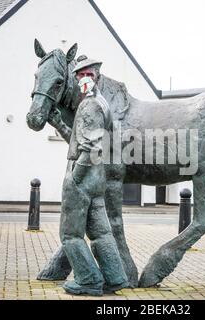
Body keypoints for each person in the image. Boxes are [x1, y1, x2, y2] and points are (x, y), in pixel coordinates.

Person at [60, 56, 129, 296]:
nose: (81, 78)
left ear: (95, 76)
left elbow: (90, 146)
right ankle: (115, 277)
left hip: (83, 176)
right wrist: (60, 125)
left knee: (70, 235)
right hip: (97, 177)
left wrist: (76, 177)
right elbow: (83, 138)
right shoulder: (102, 103)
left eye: (85, 74)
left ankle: (88, 279)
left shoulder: (89, 104)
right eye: (78, 75)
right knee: (101, 232)